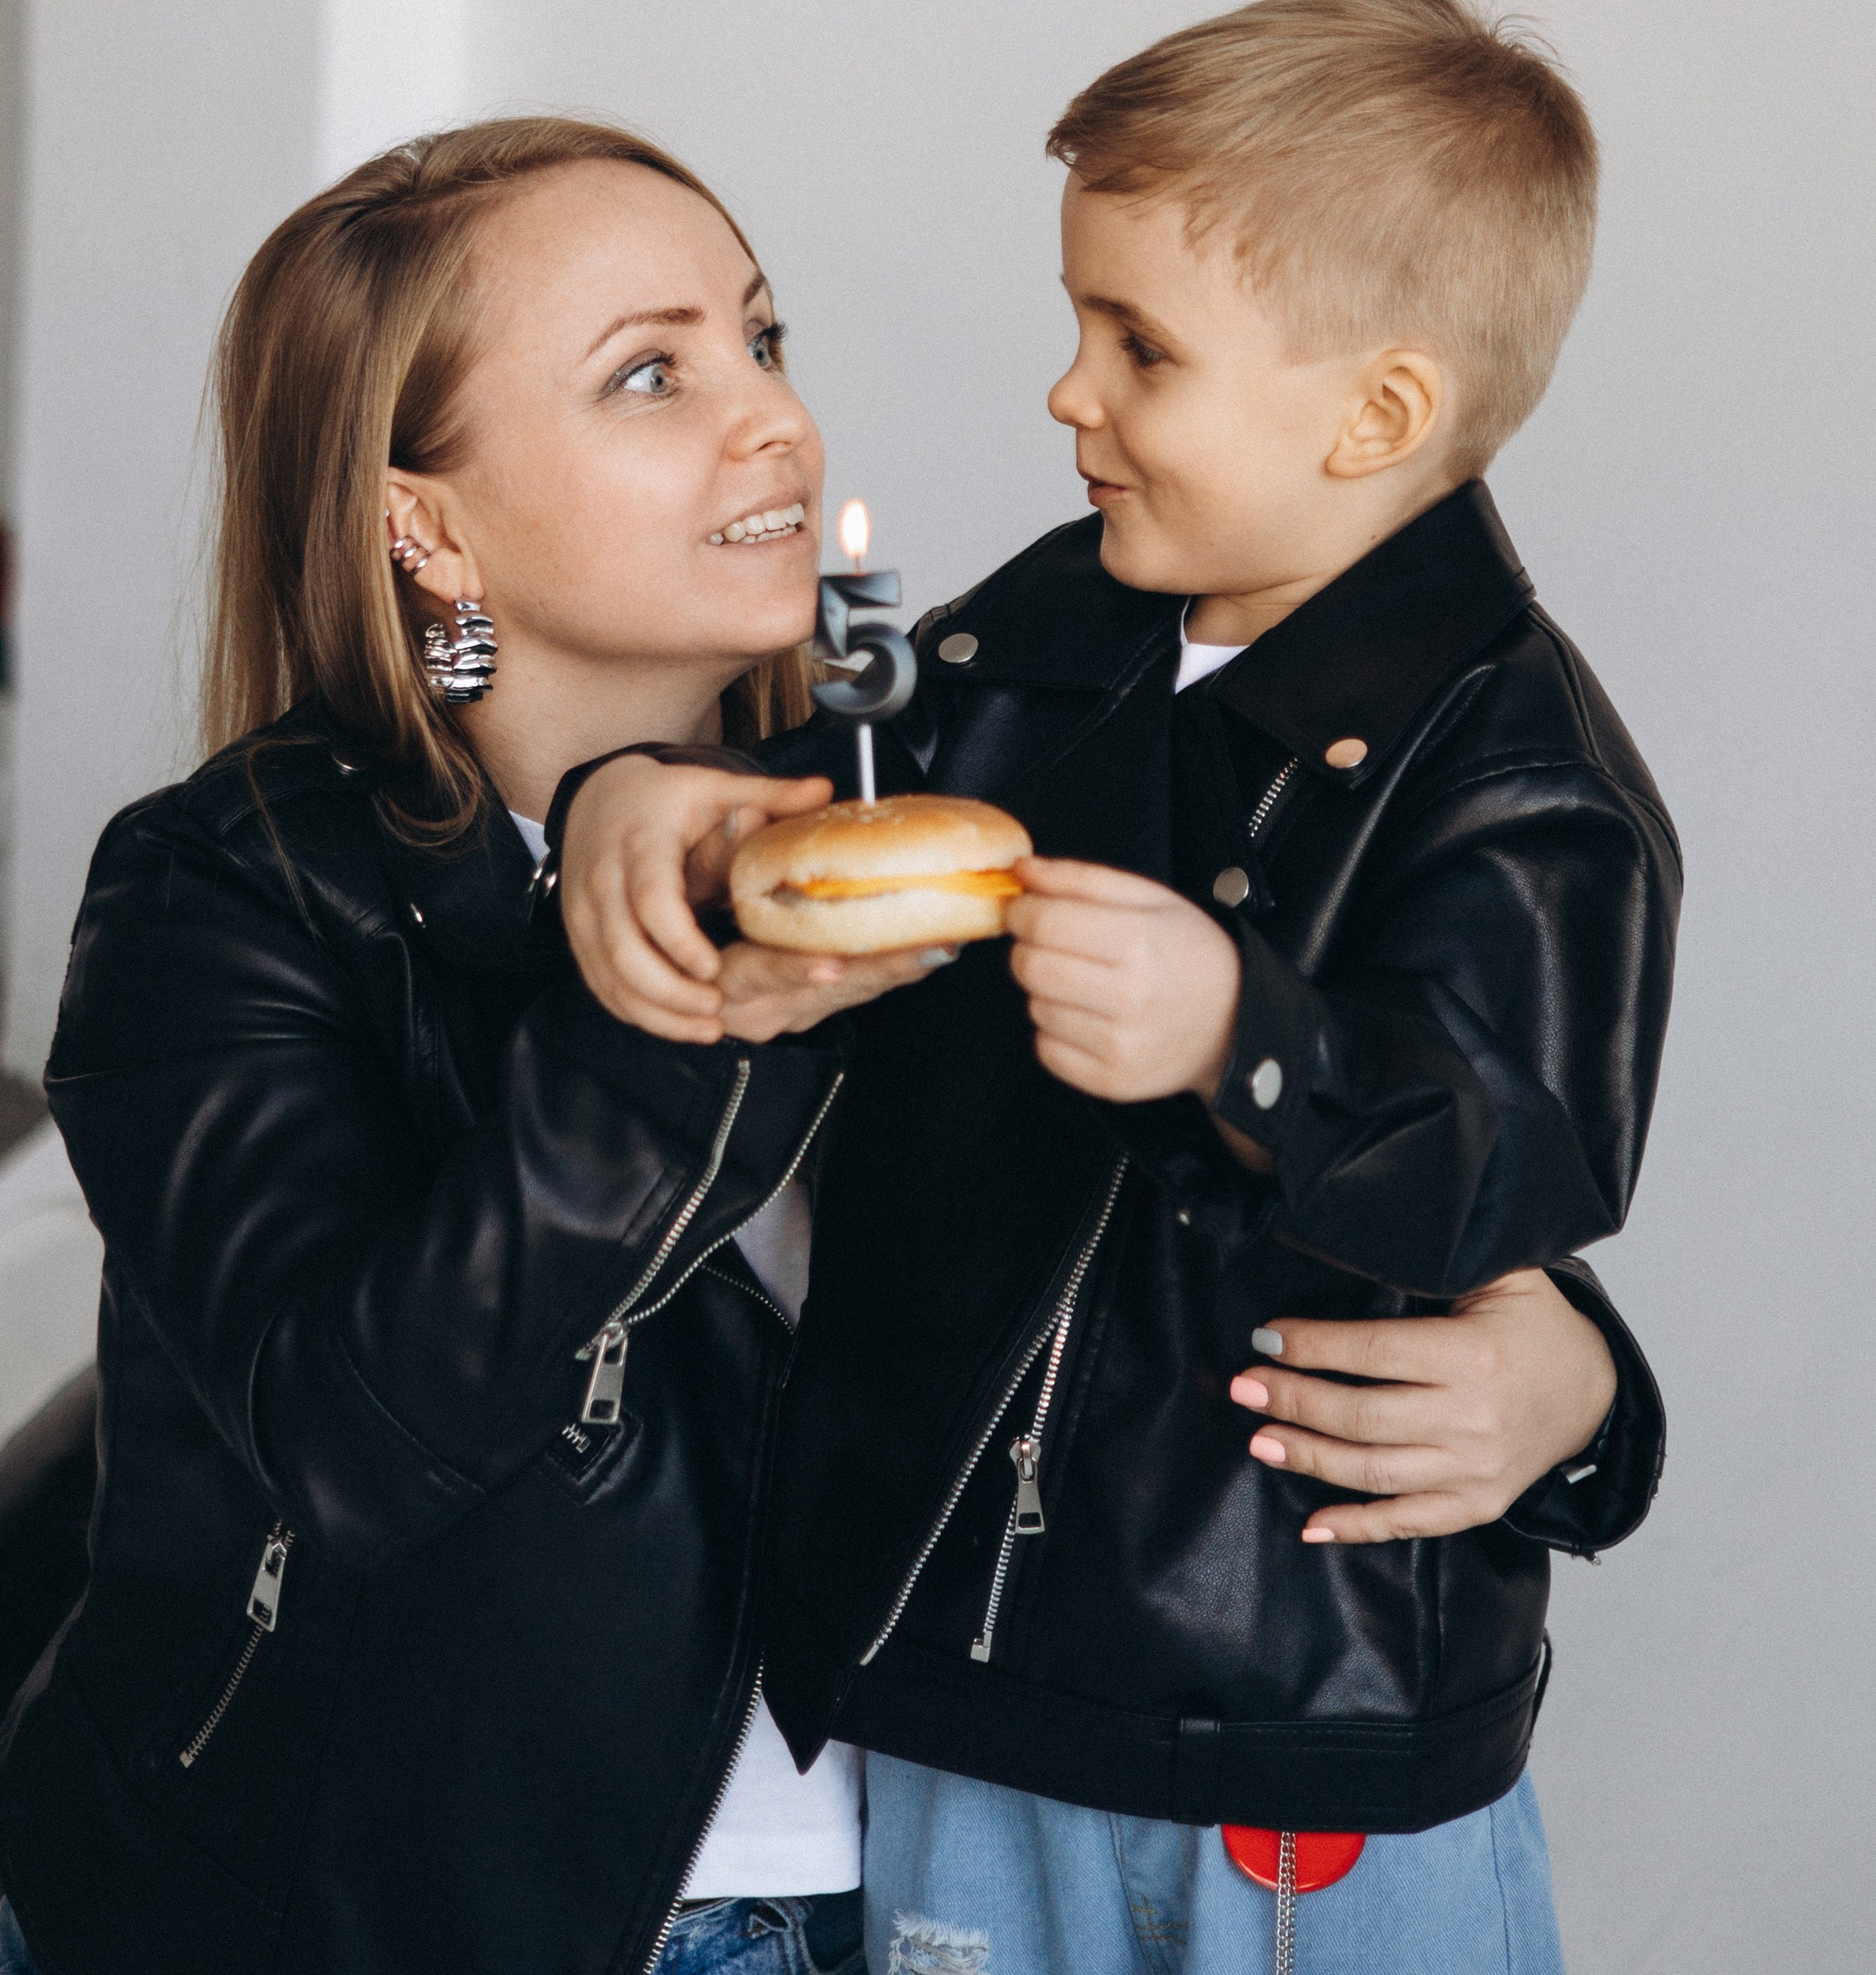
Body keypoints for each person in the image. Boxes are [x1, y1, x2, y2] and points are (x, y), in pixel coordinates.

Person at [0, 105, 1652, 1975]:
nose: (769, 418)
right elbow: (352, 1438)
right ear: (420, 523)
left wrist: (1569, 1385)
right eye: (650, 376)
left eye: (763, 341)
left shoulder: (943, 782)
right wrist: (680, 1024)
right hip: (396, 1921)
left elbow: (1191, 1181)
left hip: (931, 1886)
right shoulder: (232, 895)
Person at [552, 0, 1676, 1975]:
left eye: (1137, 345)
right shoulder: (1048, 628)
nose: (1068, 393)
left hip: (1306, 1728)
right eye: (1080, 324)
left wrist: (1245, 1036)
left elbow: (1518, 1163)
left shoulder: (1522, 776)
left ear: (1380, 414)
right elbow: (834, 794)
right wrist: (658, 792)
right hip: (959, 1672)